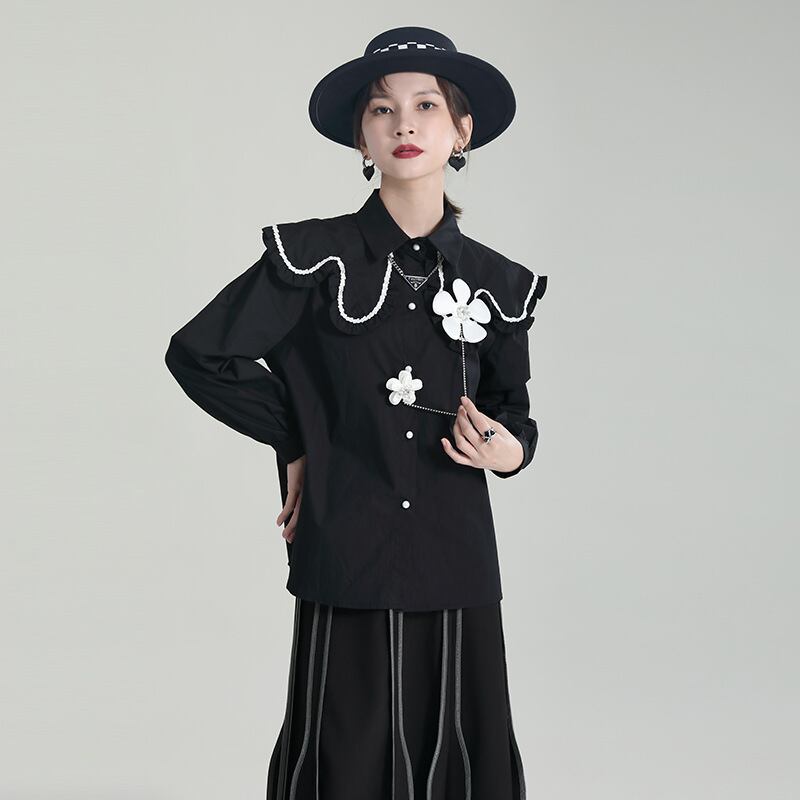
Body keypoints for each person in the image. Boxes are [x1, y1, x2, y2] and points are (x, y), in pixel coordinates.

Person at [165, 25, 547, 800]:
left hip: (456, 559)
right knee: (340, 755)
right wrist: (296, 438)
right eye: (381, 109)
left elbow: (513, 412)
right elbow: (199, 353)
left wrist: (506, 450)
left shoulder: (499, 283)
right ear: (361, 138)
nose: (404, 123)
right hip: (347, 548)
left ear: (462, 130)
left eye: (426, 105)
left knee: (456, 754)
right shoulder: (310, 260)